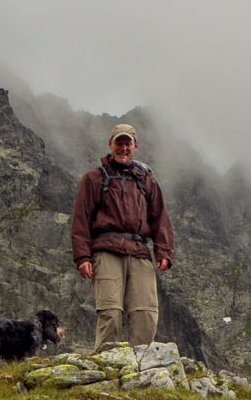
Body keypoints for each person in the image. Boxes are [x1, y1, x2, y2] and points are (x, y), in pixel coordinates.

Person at [70, 123, 174, 347]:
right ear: (110, 144)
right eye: (119, 142)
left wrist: (163, 251)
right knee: (110, 312)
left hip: (139, 252)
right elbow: (81, 219)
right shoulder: (94, 179)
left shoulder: (146, 181)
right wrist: (83, 257)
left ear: (135, 146)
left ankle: (141, 371)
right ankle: (107, 368)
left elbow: (160, 218)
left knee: (145, 312)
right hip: (106, 251)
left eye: (128, 143)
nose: (123, 147)